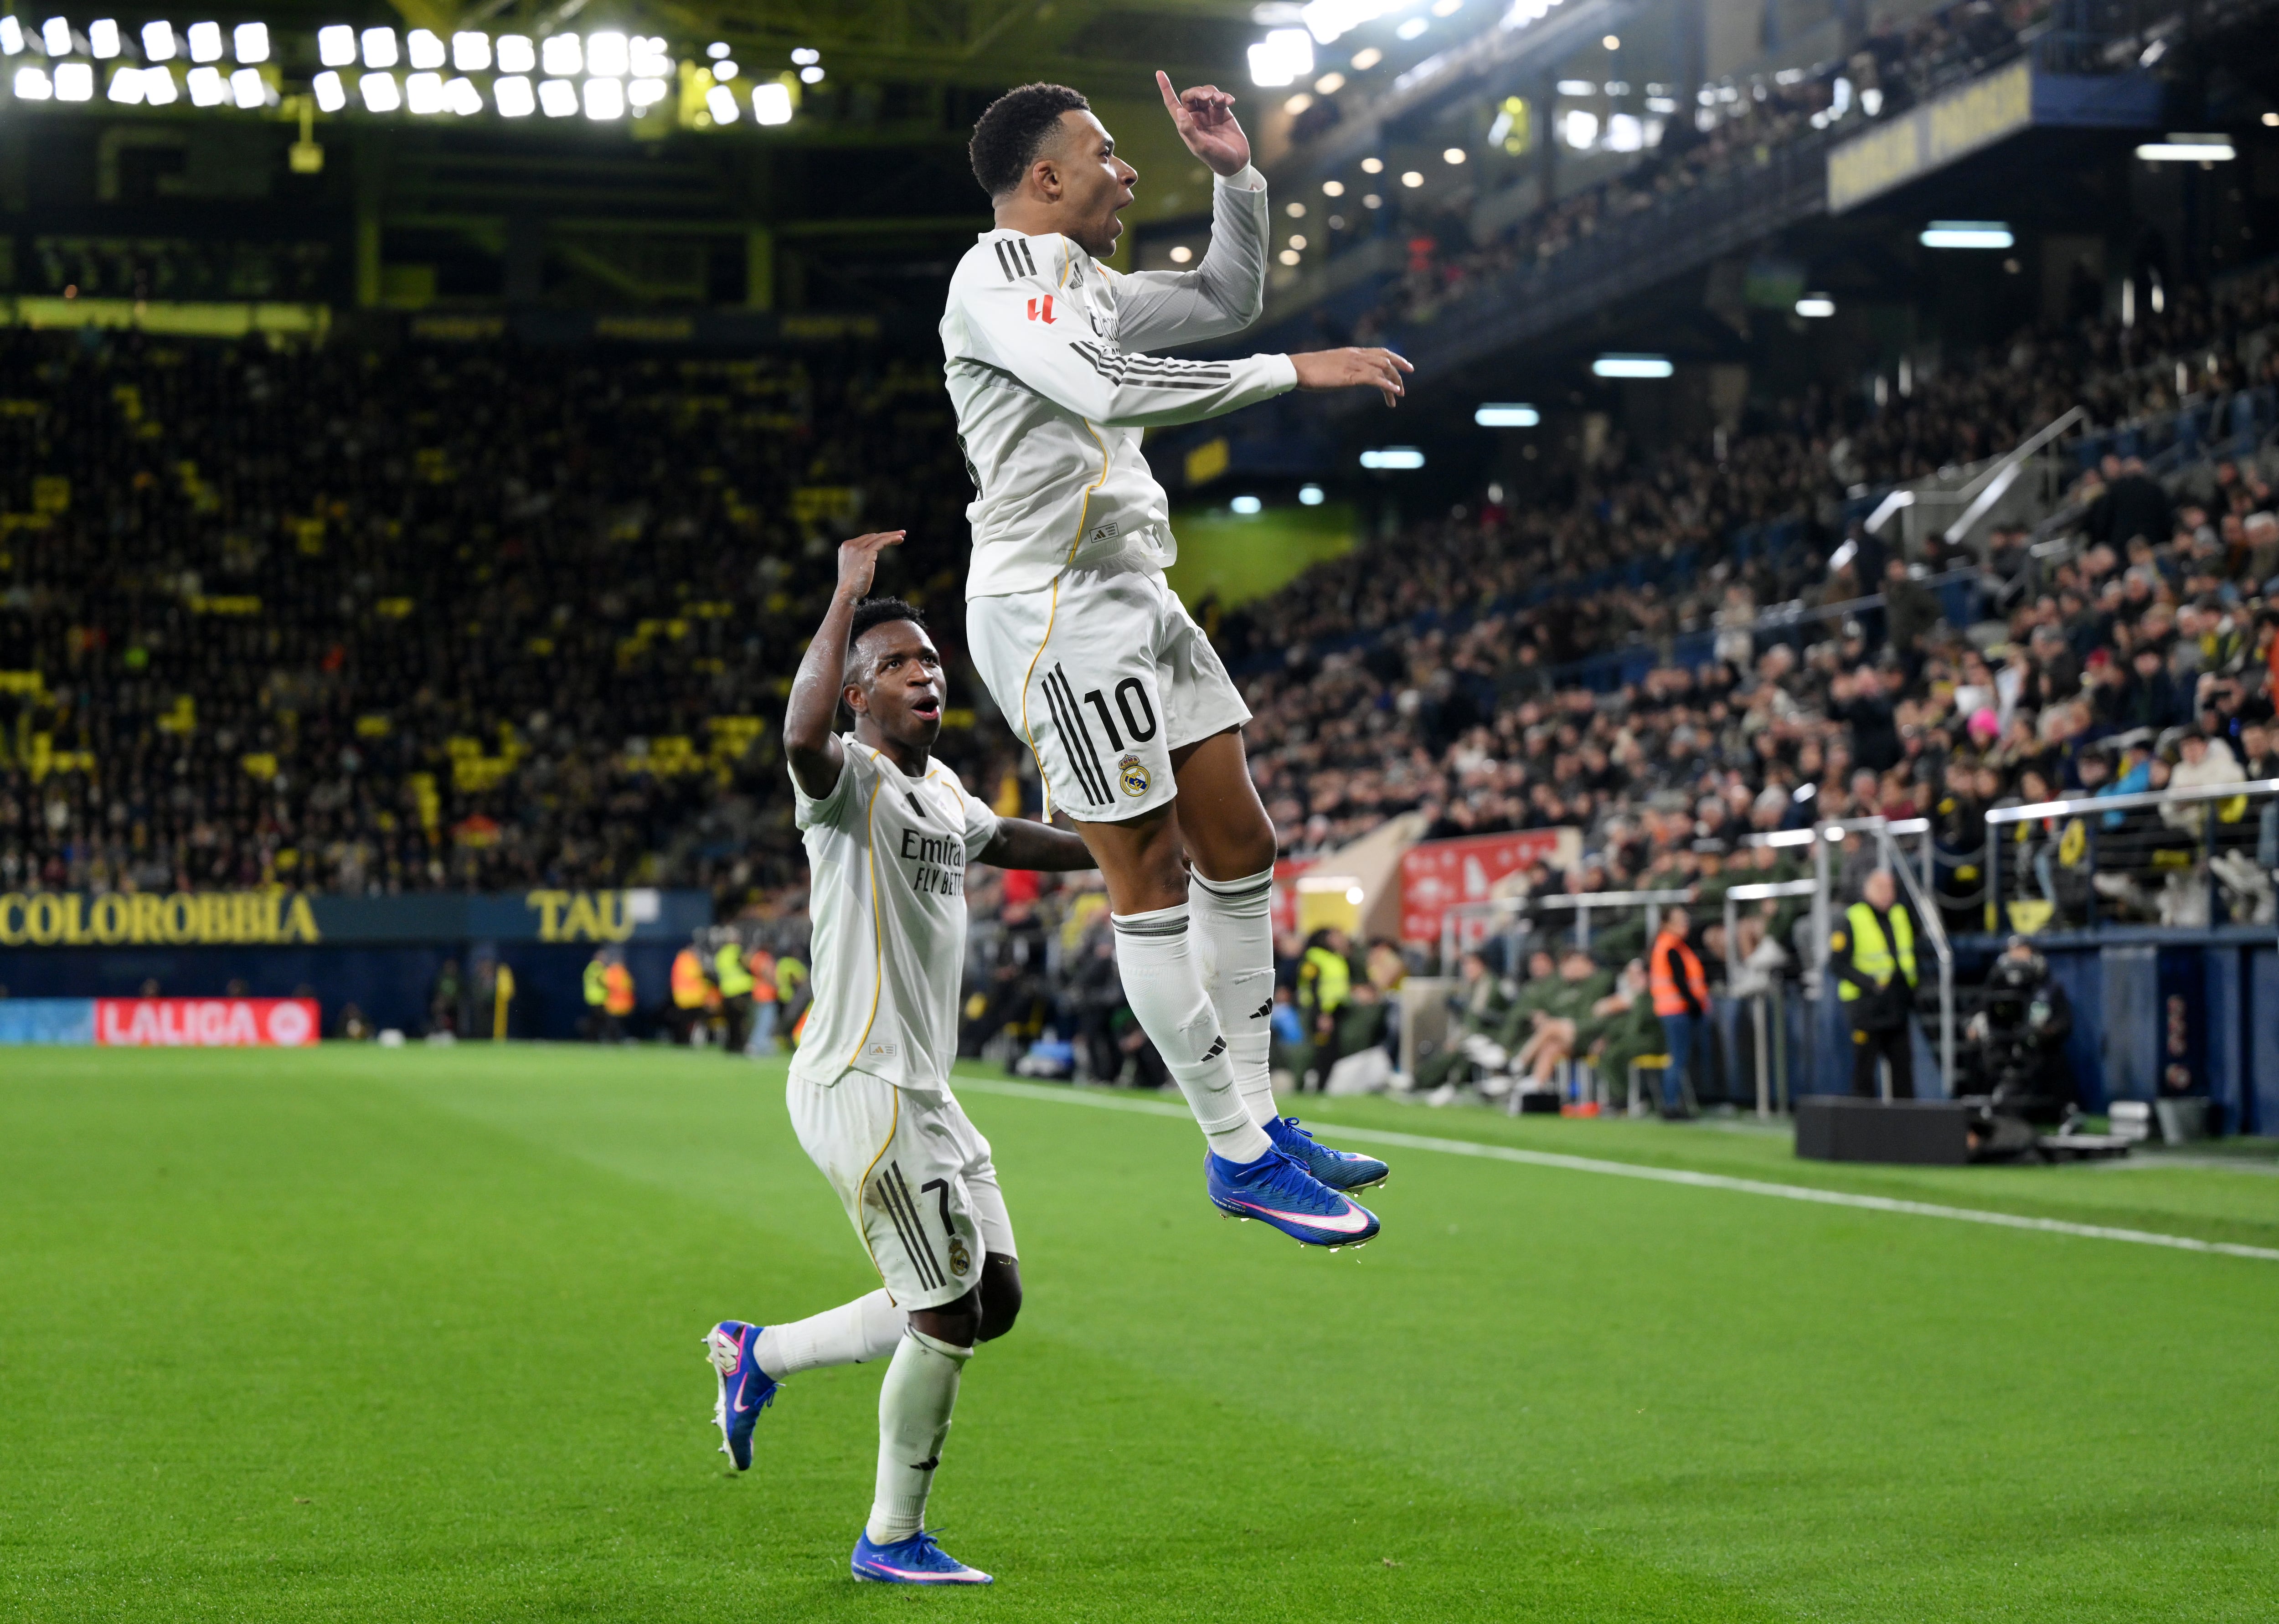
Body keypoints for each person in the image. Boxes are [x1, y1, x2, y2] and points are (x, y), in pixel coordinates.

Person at [941, 77, 1403, 1232]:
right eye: (1105, 152)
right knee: (1144, 875)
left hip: (1132, 586)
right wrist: (1297, 371)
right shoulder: (993, 280)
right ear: (1045, 178)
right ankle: (1234, 1153)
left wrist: (1236, 176)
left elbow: (1223, 295)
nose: (1127, 169)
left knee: (1241, 839)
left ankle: (1260, 1114)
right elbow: (1103, 383)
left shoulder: (1089, 285)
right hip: (1051, 603)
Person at [705, 531, 1099, 1588]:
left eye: (931, 662)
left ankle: (760, 1355)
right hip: (861, 1087)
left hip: (928, 1096)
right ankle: (890, 1539)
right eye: (900, 665)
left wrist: (1131, 848)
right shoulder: (846, 786)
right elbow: (796, 736)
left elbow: (1012, 839)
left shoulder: (942, 794)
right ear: (855, 695)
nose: (927, 675)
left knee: (995, 1297)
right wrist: (844, 597)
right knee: (945, 1313)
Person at [1831, 868, 1920, 1098]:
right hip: (1866, 1007)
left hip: (1897, 1004)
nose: (1886, 894)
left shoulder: (1901, 914)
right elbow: (1837, 964)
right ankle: (1864, 1128)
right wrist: (1870, 984)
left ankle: (1906, 1127)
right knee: (1864, 1070)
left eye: (1890, 888)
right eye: (1880, 888)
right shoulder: (1852, 918)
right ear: (1867, 890)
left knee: (1903, 1070)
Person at [1646, 907, 1710, 1119]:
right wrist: (1695, 1005)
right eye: (1680, 921)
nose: (1685, 925)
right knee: (1678, 1058)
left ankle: (1673, 1103)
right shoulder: (1670, 947)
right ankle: (1671, 1104)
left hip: (1672, 1010)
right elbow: (1680, 982)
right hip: (1677, 1011)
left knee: (1678, 1058)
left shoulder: (1671, 946)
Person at [714, 930, 755, 1057]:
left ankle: (731, 1046)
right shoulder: (737, 951)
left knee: (731, 1021)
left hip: (727, 991)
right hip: (741, 990)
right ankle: (742, 1046)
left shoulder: (721, 954)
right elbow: (747, 964)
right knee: (743, 1022)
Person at [670, 940, 711, 1046]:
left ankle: (686, 1040)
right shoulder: (685, 958)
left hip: (691, 996)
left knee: (689, 1020)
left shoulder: (686, 959)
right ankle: (683, 1040)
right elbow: (694, 974)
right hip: (687, 996)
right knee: (686, 1020)